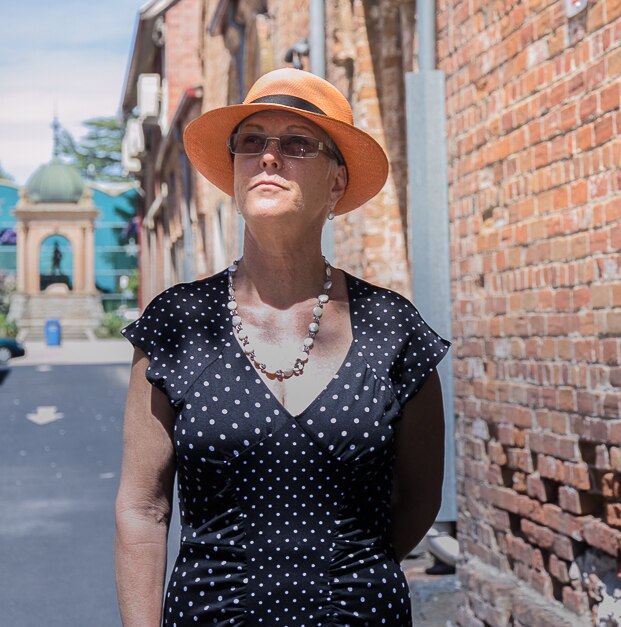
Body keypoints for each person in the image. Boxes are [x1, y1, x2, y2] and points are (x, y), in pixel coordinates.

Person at [115, 68, 450, 626]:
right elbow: (142, 508)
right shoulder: (177, 323)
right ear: (235, 170)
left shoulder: (392, 328)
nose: (269, 158)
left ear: (337, 182)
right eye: (252, 143)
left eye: (296, 144)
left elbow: (419, 499)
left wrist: (343, 573)